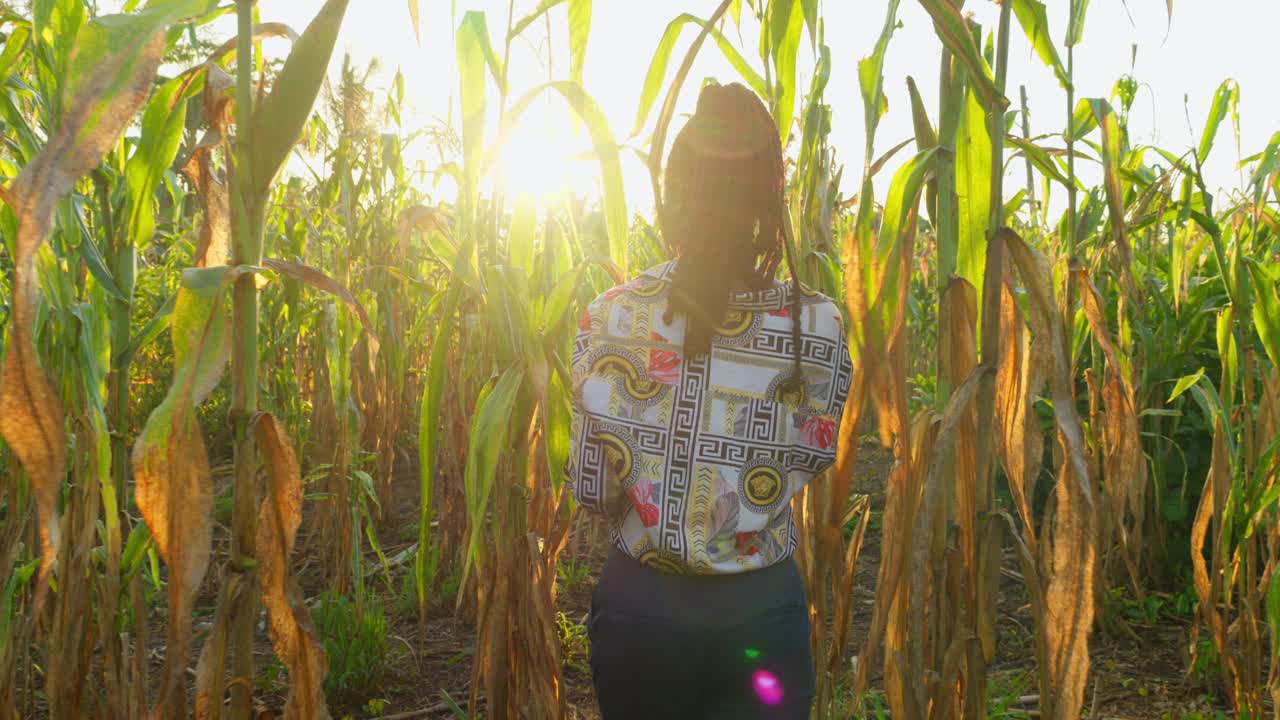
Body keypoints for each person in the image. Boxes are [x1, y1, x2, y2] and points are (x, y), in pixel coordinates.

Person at [565, 81, 853, 720]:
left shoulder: (610, 318)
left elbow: (591, 486)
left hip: (642, 612)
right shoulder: (817, 327)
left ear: (675, 191)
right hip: (761, 612)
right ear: (768, 194)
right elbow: (813, 457)